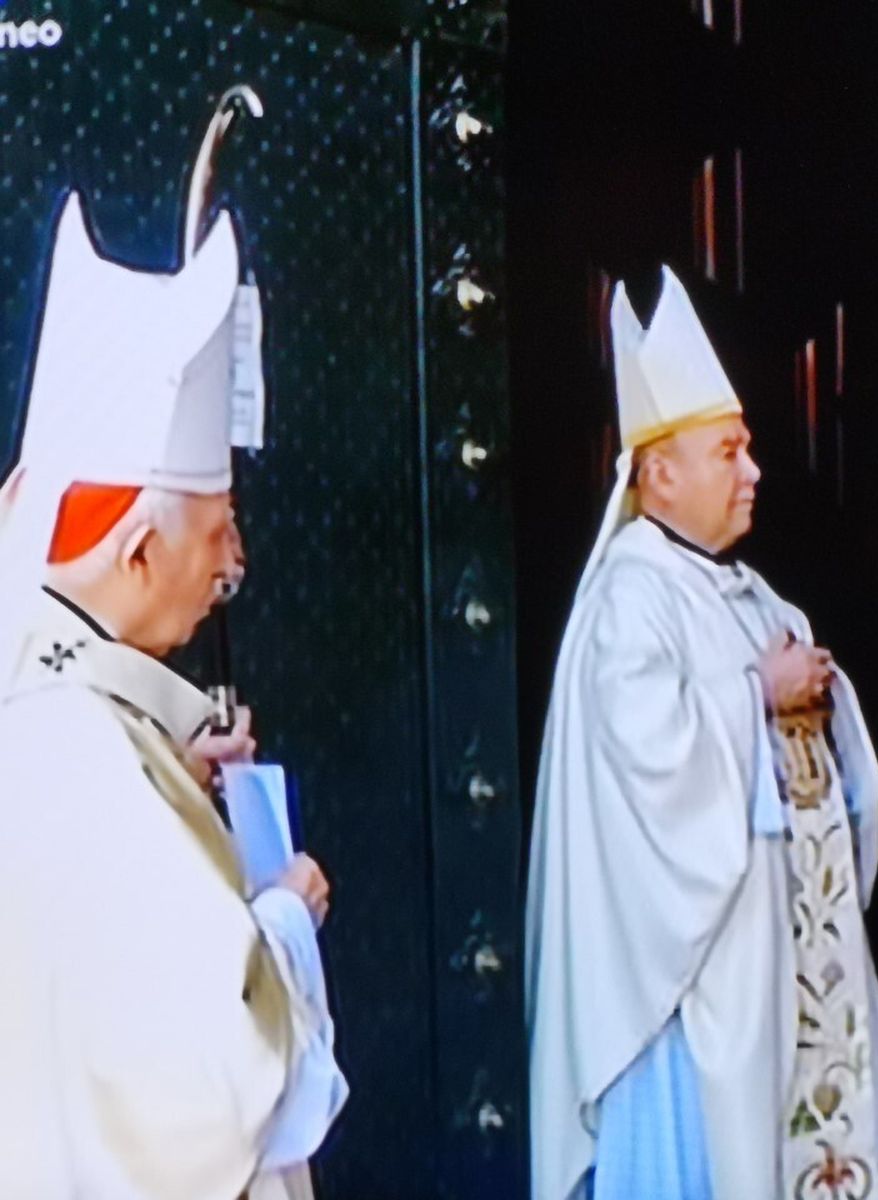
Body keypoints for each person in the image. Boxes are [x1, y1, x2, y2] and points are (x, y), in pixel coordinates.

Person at [0, 90, 346, 1200]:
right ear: (141, 547)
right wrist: (283, 916)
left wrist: (174, 797)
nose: (232, 563)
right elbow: (204, 1084)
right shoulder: (81, 759)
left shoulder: (45, 701)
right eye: (217, 528)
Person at [525, 267, 878, 1200]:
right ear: (658, 474)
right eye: (729, 452)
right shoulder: (630, 599)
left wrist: (820, 692)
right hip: (688, 999)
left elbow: (801, 722)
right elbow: (656, 769)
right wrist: (757, 697)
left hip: (780, 979)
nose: (754, 471)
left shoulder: (741, 589)